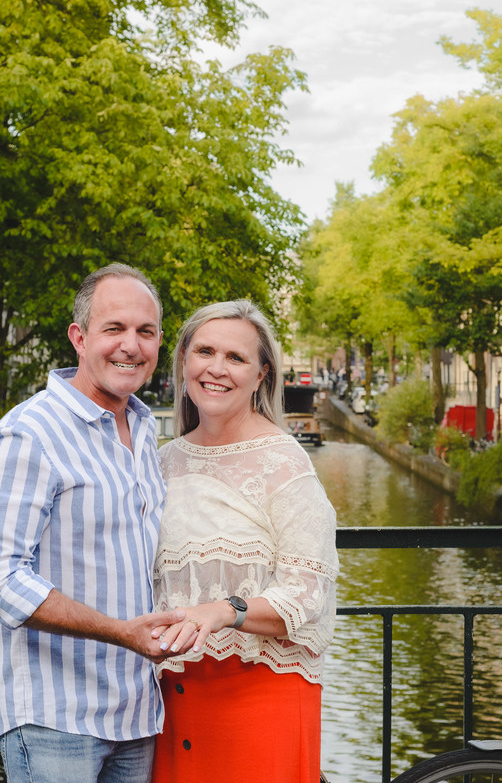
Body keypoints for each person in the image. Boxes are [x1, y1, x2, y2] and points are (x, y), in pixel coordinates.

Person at [0, 263, 179, 783]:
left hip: (137, 712)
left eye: (145, 332)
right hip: (55, 719)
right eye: (115, 329)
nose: (131, 345)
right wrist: (120, 632)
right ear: (79, 338)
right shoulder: (27, 435)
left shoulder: (145, 429)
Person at [150, 300, 339, 783]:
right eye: (205, 352)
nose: (216, 368)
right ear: (184, 362)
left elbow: (305, 595)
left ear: (261, 375)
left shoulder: (285, 465)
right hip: (169, 703)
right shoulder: (161, 461)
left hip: (260, 698)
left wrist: (222, 610)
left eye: (235, 358)